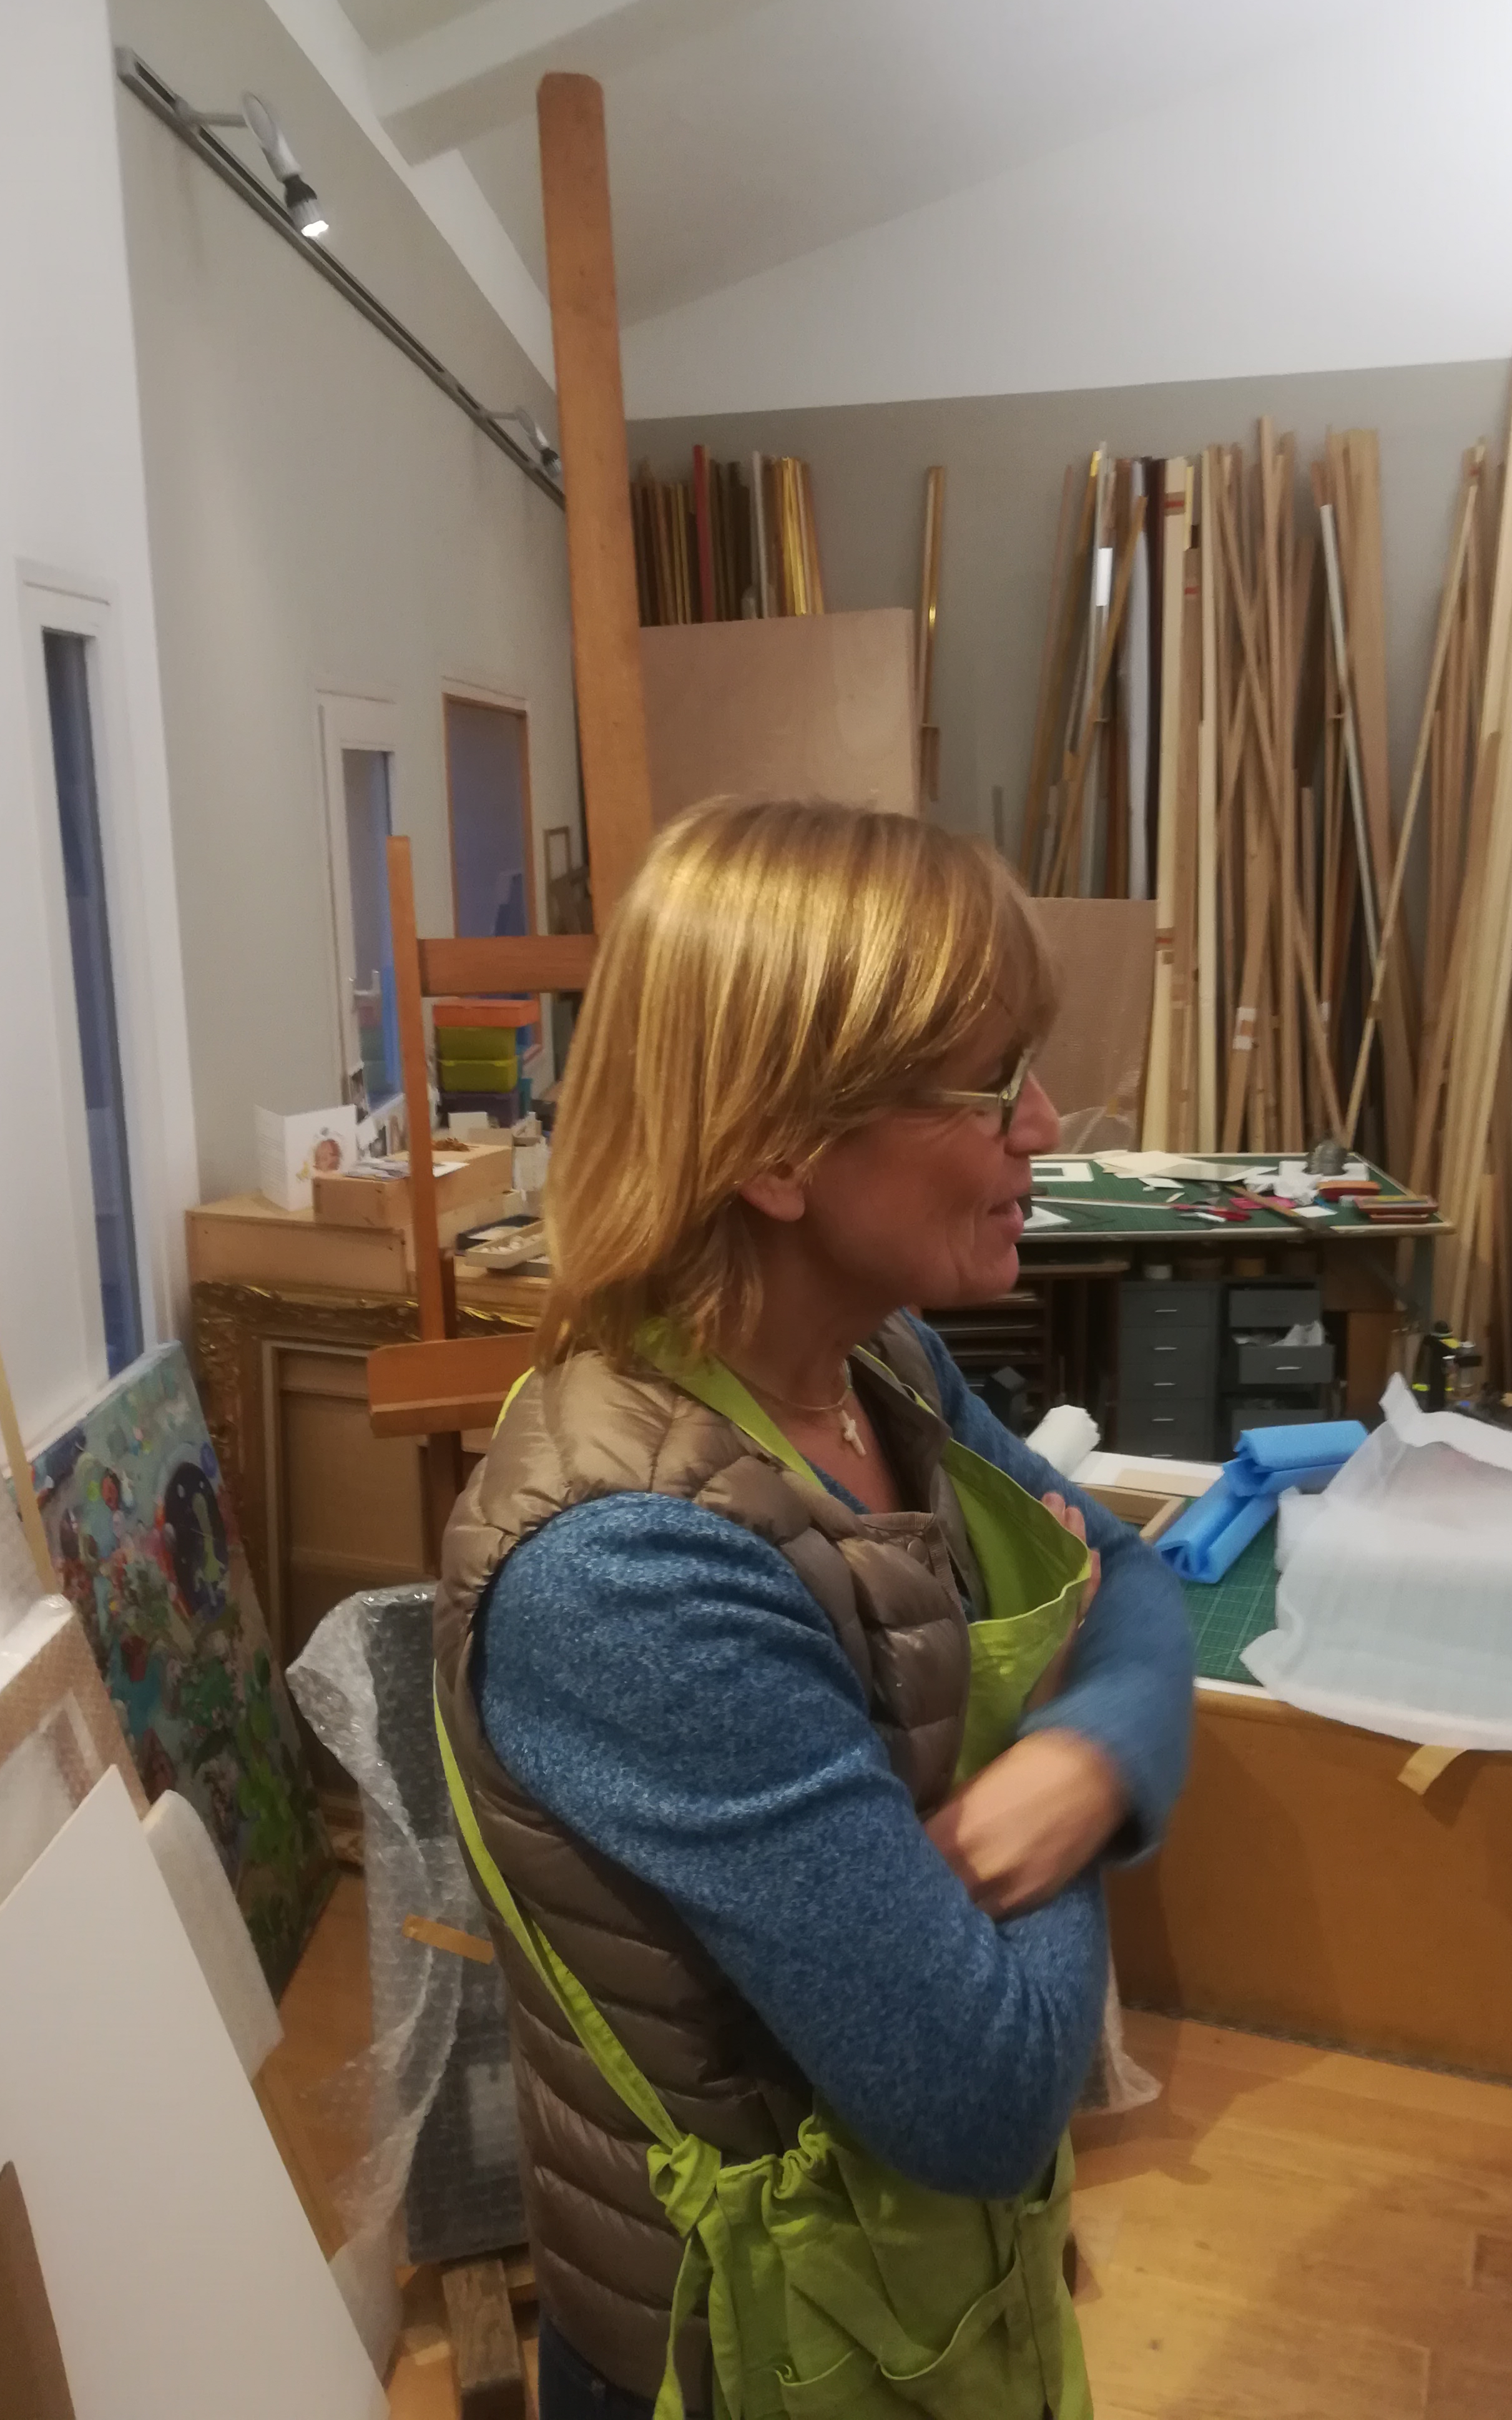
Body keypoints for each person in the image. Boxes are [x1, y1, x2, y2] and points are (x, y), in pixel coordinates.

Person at [434, 800, 1195, 2419]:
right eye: (994, 1083)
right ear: (778, 1150)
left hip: (907, 2302)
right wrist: (1072, 1734)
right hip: (737, 2356)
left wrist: (1078, 1764)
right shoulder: (632, 1572)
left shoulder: (879, 1368)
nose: (1044, 1124)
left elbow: (1131, 1581)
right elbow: (983, 2087)